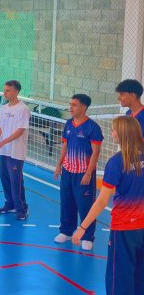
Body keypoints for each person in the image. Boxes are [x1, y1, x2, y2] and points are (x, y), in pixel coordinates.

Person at [73, 116, 144, 295]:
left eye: (114, 130)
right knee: (141, 273)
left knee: (118, 278)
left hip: (124, 230)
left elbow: (102, 201)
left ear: (121, 133)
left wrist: (82, 227)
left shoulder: (117, 162)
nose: (111, 133)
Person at [53, 94, 103, 251]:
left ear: (84, 107)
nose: (71, 107)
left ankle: (87, 237)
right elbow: (65, 146)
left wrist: (88, 173)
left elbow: (95, 152)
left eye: (74, 105)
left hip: (83, 173)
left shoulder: (93, 128)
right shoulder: (68, 124)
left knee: (85, 206)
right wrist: (59, 165)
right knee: (66, 202)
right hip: (68, 171)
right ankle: (66, 231)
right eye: (70, 104)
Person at [0, 80, 30, 221]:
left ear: (16, 91)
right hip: (5, 151)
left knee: (16, 181)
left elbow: (20, 131)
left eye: (7, 90)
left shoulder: (23, 109)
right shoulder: (4, 108)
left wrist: (1, 143)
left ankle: (22, 208)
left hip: (16, 152)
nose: (4, 93)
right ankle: (10, 204)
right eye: (4, 90)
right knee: (5, 178)